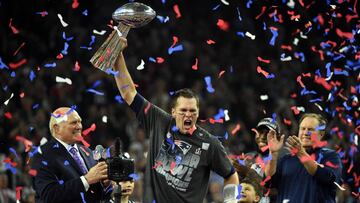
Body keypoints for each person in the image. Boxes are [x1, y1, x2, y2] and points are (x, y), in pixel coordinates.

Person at [112, 38, 239, 202]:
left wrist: (230, 201)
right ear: (173, 112)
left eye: (192, 111)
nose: (188, 115)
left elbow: (231, 175)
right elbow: (128, 93)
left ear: (198, 113)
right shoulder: (159, 121)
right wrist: (118, 56)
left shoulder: (210, 143)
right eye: (183, 111)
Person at [31, 107, 111, 203]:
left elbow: (95, 195)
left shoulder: (88, 152)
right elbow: (49, 195)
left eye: (79, 121)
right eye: (74, 122)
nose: (79, 126)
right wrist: (86, 180)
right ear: (57, 129)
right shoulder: (43, 155)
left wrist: (105, 185)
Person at [265, 113, 342, 203]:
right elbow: (268, 182)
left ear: (321, 134)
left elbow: (327, 178)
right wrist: (273, 154)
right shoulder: (286, 160)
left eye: (310, 129)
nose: (305, 133)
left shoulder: (330, 156)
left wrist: (301, 153)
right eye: (303, 128)